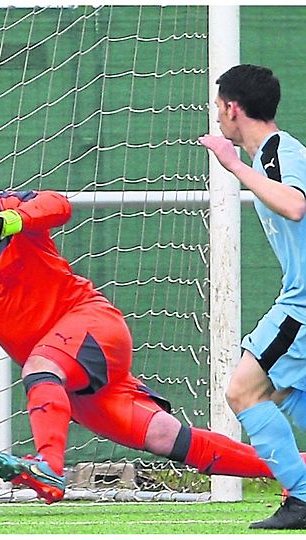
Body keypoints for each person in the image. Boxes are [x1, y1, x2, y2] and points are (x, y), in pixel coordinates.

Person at [0, 139, 301, 507]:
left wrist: (4, 224)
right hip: (67, 378)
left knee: (39, 368)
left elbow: (58, 205)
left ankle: (47, 465)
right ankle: (298, 472)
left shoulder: (13, 211)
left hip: (92, 328)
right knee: (169, 440)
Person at [201, 64, 306, 530]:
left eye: (218, 106)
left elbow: (296, 204)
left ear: (232, 107)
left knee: (243, 390)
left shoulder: (279, 152)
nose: (217, 115)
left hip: (302, 304)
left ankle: (302, 499)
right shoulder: (270, 155)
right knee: (280, 392)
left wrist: (234, 165)